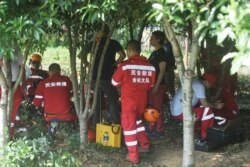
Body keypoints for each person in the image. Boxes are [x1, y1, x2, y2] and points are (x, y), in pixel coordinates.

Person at [111, 40, 156, 164]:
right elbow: (151, 84)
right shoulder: (150, 66)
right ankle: (145, 144)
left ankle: (133, 157)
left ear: (129, 50)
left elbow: (114, 82)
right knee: (138, 122)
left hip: (129, 102)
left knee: (129, 128)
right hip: (142, 102)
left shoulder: (125, 65)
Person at [171, 73, 224, 142]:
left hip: (178, 110)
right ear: (206, 81)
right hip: (180, 112)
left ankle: (197, 131)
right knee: (207, 110)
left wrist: (212, 104)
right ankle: (204, 137)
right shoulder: (199, 86)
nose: (210, 87)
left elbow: (201, 102)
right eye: (210, 85)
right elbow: (205, 104)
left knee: (201, 109)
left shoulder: (195, 82)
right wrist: (216, 106)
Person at [90, 24, 126, 125]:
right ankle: (114, 123)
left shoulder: (94, 43)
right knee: (113, 99)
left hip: (95, 77)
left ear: (102, 32)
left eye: (97, 31)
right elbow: (123, 55)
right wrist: (115, 64)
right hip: (108, 76)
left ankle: (95, 124)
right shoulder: (113, 43)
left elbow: (81, 55)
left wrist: (88, 65)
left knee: (97, 102)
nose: (96, 33)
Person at [0, 55, 31, 138]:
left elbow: (22, 67)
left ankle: (10, 134)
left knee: (12, 112)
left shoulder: (16, 49)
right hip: (2, 84)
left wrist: (24, 86)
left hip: (15, 85)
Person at [147, 30, 168, 139]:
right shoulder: (154, 53)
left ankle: (159, 129)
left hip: (159, 85)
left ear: (158, 40)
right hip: (151, 84)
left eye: (152, 38)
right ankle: (152, 126)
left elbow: (162, 71)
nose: (150, 40)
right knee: (152, 107)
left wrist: (156, 86)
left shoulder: (162, 53)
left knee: (158, 108)